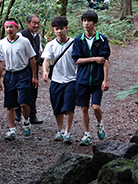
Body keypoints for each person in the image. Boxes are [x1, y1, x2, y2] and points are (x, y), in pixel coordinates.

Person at [71, 10, 110, 146]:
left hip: (97, 79)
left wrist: (105, 80)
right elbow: (76, 60)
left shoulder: (102, 39)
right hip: (82, 79)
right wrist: (93, 58)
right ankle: (86, 134)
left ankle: (99, 124)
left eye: (89, 21)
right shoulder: (78, 40)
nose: (86, 23)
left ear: (95, 23)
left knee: (95, 107)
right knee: (83, 107)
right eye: (84, 20)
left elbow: (105, 61)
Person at [0, 18, 38, 140]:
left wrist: (34, 77)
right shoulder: (2, 43)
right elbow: (0, 61)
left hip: (23, 73)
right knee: (10, 104)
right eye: (7, 27)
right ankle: (11, 129)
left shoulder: (24, 41)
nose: (9, 29)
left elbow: (32, 59)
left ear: (16, 28)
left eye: (11, 27)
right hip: (9, 75)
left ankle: (26, 121)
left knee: (24, 102)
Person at [42, 16, 77, 144]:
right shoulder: (50, 45)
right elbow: (46, 60)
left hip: (71, 79)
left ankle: (68, 131)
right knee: (57, 106)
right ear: (53, 30)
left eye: (61, 29)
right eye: (57, 29)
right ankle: (60, 130)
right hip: (56, 80)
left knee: (68, 106)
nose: (59, 32)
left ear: (66, 29)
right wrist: (45, 71)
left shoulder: (74, 43)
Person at [15, 14, 44, 124]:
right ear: (28, 23)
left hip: (34, 67)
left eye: (38, 23)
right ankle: (17, 111)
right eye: (34, 23)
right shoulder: (20, 36)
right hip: (22, 67)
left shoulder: (37, 36)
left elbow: (39, 50)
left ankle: (32, 115)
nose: (36, 25)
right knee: (21, 89)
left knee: (33, 91)